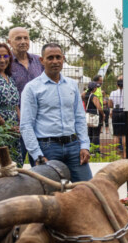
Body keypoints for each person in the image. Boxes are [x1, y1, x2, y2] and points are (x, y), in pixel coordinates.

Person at [20, 43, 92, 182]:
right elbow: (26, 125)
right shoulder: (32, 88)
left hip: (74, 147)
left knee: (87, 188)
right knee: (51, 192)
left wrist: (84, 146)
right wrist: (37, 155)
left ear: (63, 59)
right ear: (42, 60)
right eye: (50, 58)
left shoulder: (72, 85)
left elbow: (79, 118)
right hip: (47, 149)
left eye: (58, 57)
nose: (55, 61)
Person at [8, 27, 44, 164]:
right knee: (16, 165)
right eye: (18, 38)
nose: (23, 41)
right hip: (16, 124)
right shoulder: (5, 62)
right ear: (9, 42)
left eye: (26, 38)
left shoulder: (38, 61)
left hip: (39, 122)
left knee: (41, 165)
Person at [108, 76, 128, 157]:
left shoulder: (113, 93)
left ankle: (115, 153)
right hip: (124, 112)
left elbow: (110, 104)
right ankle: (125, 153)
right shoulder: (127, 92)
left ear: (117, 84)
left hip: (115, 112)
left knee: (116, 134)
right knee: (124, 134)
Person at [84, 81, 103, 151]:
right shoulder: (93, 97)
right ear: (94, 88)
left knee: (90, 133)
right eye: (96, 87)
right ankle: (96, 150)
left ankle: (89, 148)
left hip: (89, 116)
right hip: (95, 116)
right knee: (96, 134)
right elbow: (99, 108)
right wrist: (103, 114)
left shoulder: (86, 95)